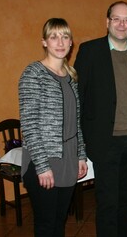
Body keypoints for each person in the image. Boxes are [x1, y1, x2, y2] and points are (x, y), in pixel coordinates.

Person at [74, 1, 127, 237]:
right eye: (116, 18)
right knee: (108, 204)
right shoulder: (89, 51)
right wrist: (81, 141)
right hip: (104, 141)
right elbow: (79, 97)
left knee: (125, 202)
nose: (122, 24)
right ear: (107, 22)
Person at [19, 18, 88, 236]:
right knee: (46, 224)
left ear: (71, 43)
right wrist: (42, 166)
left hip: (68, 160)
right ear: (44, 42)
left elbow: (76, 122)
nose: (60, 42)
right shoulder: (33, 73)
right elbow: (29, 125)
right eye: (54, 36)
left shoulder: (71, 76)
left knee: (59, 222)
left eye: (65, 36)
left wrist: (81, 155)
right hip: (44, 161)